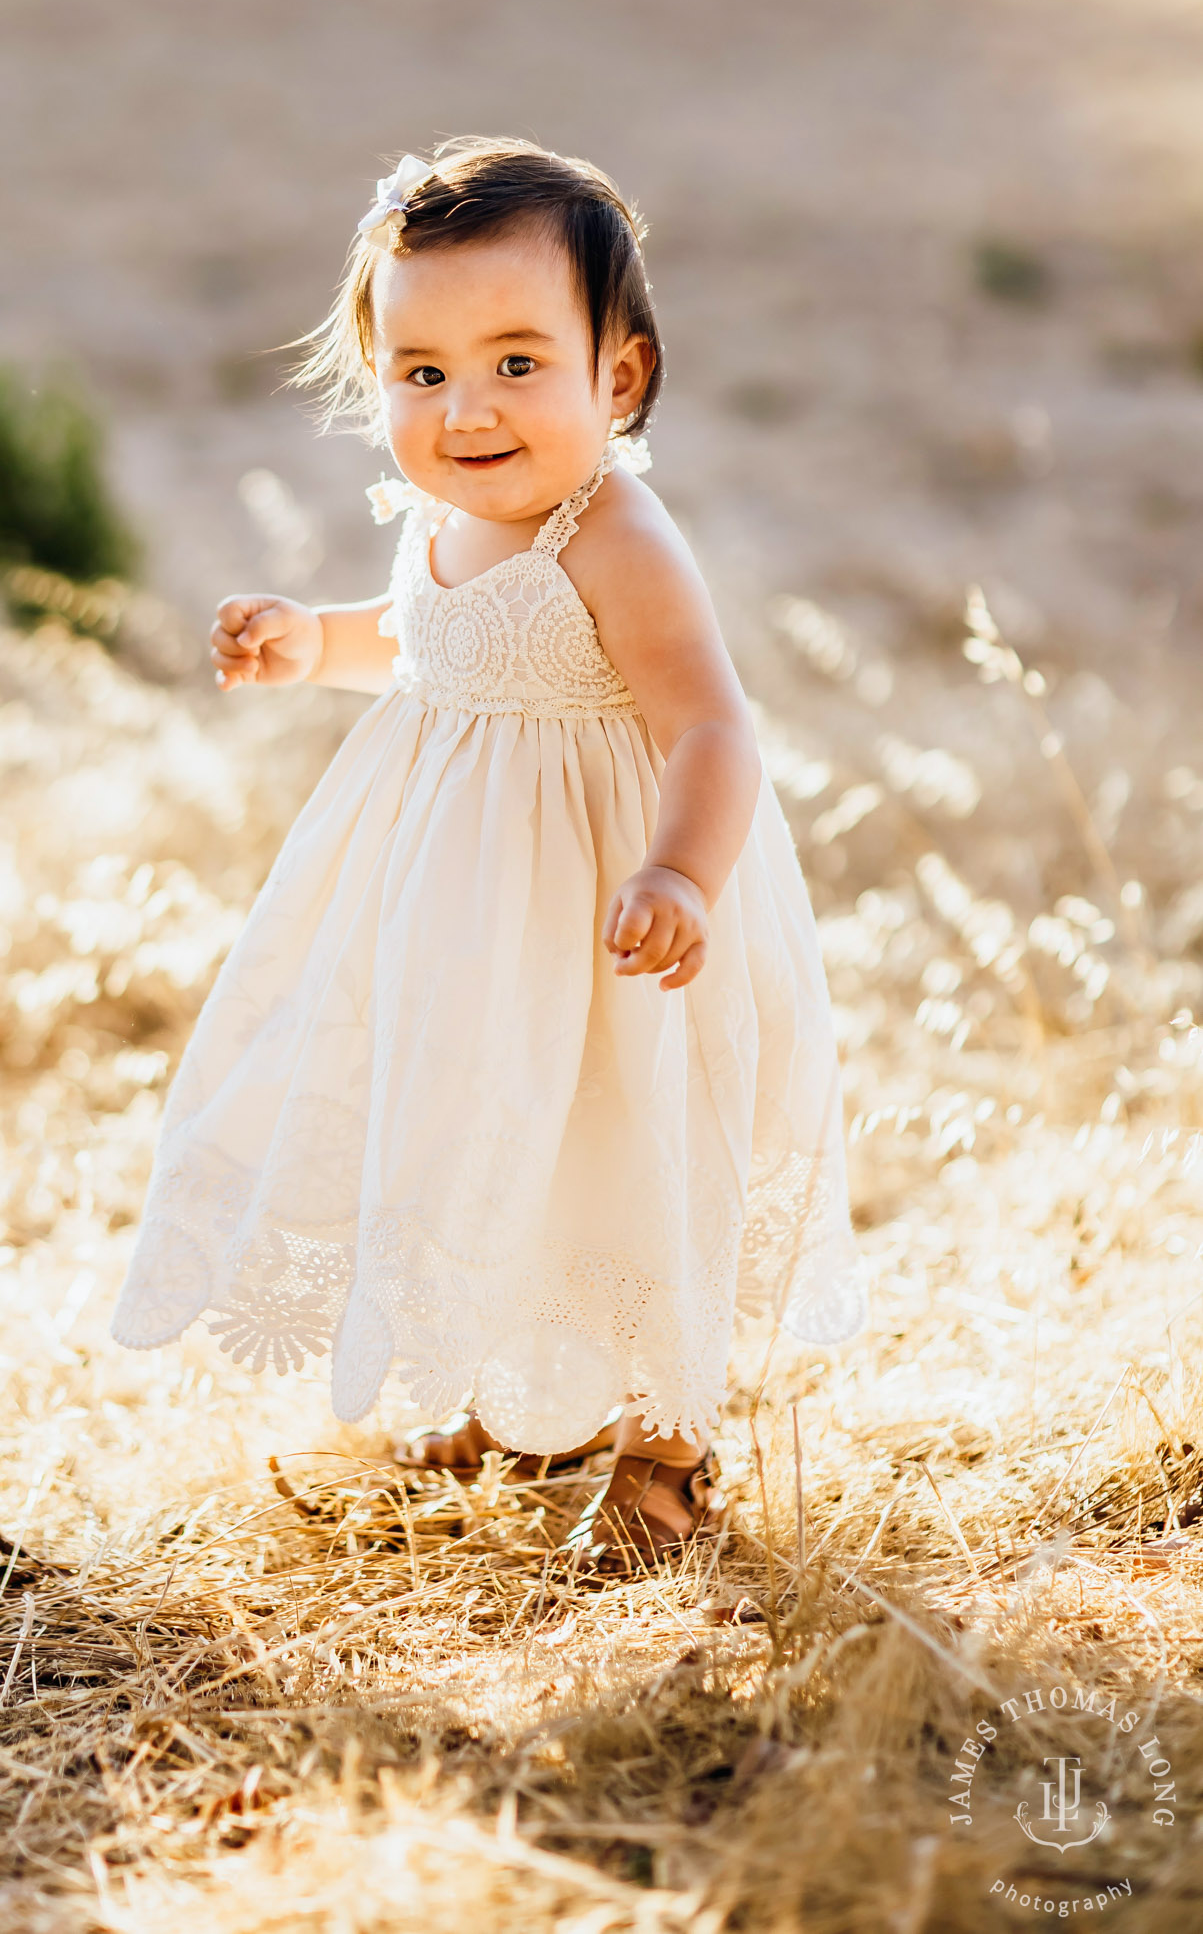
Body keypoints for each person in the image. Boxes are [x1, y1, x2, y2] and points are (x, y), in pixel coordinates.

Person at [111, 137, 865, 1565]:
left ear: (620, 377)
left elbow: (713, 725)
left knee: (628, 1136)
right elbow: (423, 642)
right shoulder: (445, 519)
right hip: (468, 910)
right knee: (486, 1117)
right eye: (424, 372)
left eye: (520, 362)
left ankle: (663, 1443)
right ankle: (504, 1375)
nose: (468, 409)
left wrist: (679, 876)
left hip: (615, 907)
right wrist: (308, 642)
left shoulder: (615, 536)